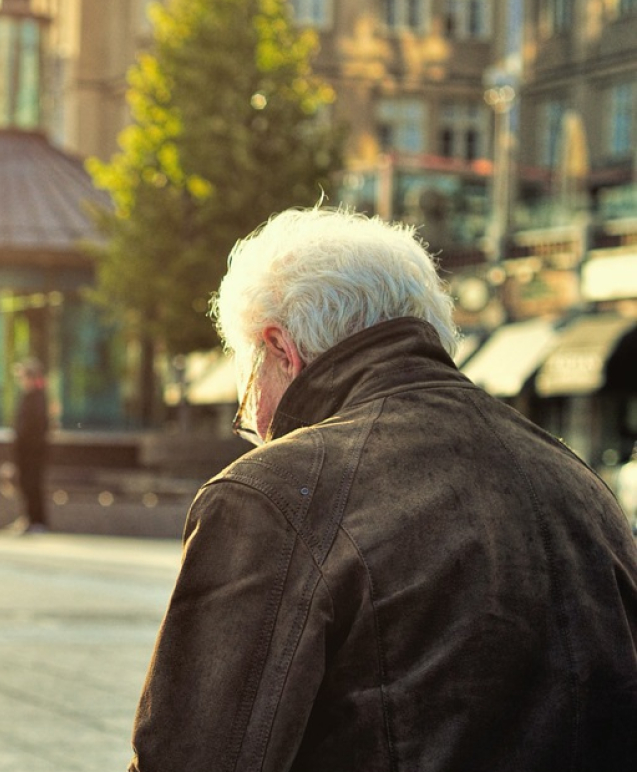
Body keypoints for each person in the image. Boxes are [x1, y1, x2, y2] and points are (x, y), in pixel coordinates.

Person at [128, 208, 637, 771]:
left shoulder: (274, 493)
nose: (256, 425)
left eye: (248, 391)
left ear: (280, 349)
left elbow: (192, 759)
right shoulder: (581, 485)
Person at [11, 358, 50, 533]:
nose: (21, 381)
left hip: (32, 450)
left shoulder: (37, 398)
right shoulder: (28, 397)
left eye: (23, 377)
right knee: (26, 484)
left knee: (32, 484)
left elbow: (35, 427)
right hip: (25, 449)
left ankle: (36, 520)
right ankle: (30, 518)